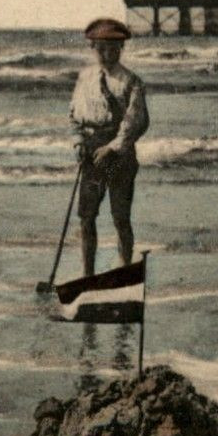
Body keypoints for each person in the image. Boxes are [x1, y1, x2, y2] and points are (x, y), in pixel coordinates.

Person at [68, 18, 149, 276]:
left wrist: (113, 148)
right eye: (100, 48)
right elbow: (74, 115)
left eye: (112, 49)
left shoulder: (130, 81)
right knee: (87, 216)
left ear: (121, 49)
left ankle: (124, 271)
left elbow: (136, 123)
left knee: (120, 217)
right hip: (92, 154)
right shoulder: (85, 78)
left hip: (119, 156)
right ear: (92, 47)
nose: (106, 54)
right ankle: (87, 274)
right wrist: (79, 142)